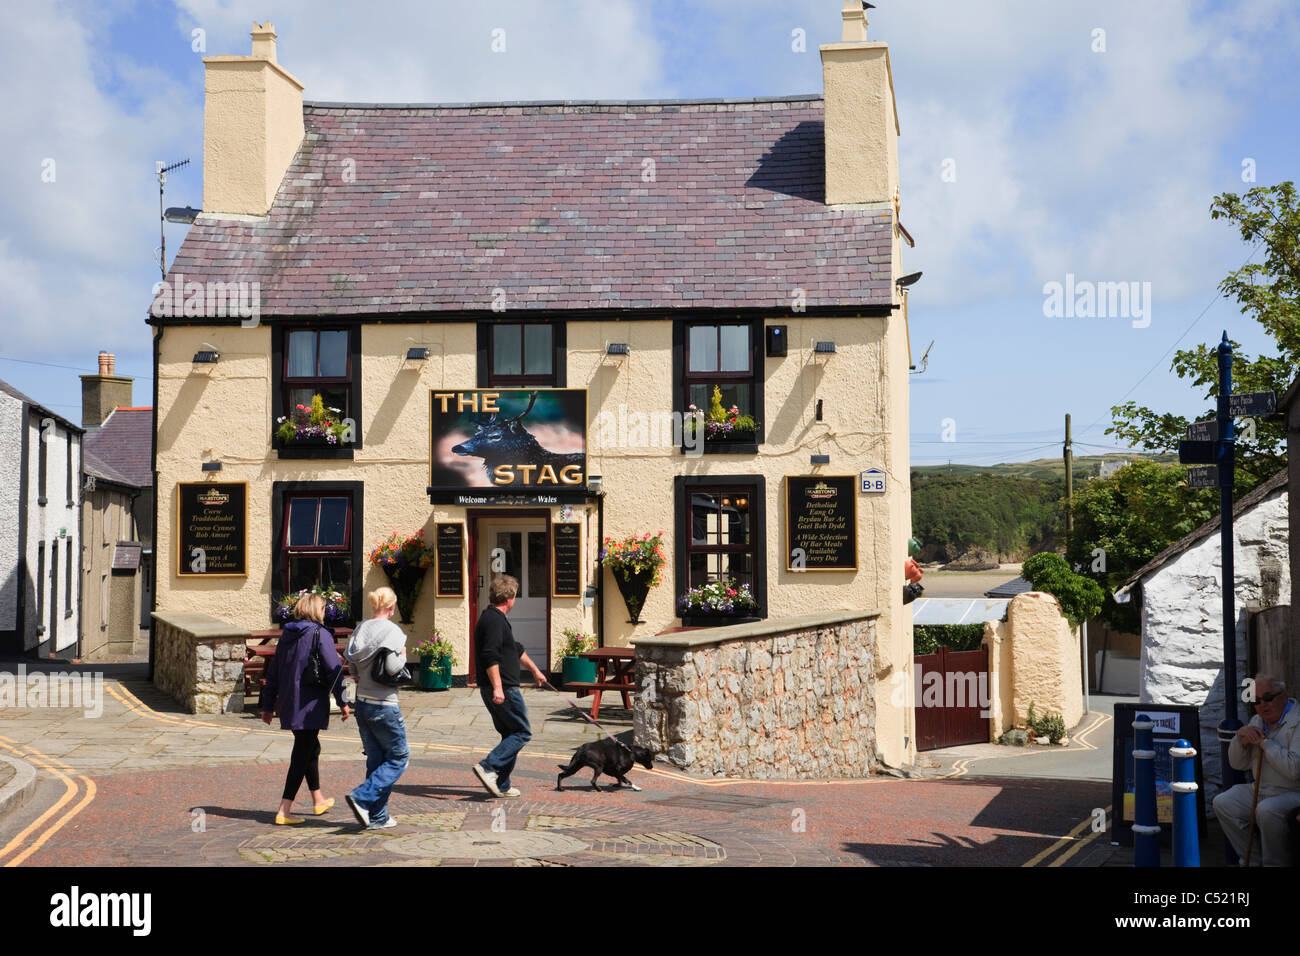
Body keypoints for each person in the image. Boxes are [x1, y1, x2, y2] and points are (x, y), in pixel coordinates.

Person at [260, 592, 350, 825]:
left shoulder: (286, 635)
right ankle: (284, 810)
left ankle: (318, 799)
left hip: (290, 703)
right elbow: (334, 668)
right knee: (301, 754)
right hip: (310, 704)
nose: (325, 613)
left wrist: (268, 705)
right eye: (323, 608)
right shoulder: (320, 634)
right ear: (314, 611)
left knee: (311, 748)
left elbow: (273, 672)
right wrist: (343, 700)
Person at [1212, 673, 1300, 866]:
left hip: (1292, 792)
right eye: (1256, 701)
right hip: (1261, 789)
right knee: (1223, 802)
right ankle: (1253, 859)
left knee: (1267, 810)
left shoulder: (1298, 722)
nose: (1262, 705)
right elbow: (1238, 764)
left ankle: (1275, 864)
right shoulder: (1257, 720)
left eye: (1267, 698)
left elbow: (1294, 771)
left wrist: (1266, 744)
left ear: (1283, 696)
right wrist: (1240, 740)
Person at [471, 574, 547, 798]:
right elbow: (489, 655)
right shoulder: (493, 621)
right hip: (503, 688)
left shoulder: (494, 618)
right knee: (522, 732)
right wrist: (498, 687)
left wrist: (535, 671)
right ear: (510, 597)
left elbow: (515, 648)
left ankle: (501, 784)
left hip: (499, 687)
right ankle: (488, 766)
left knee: (510, 734)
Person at [343, 587, 410, 830]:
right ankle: (362, 797)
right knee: (399, 757)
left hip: (363, 703)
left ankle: (377, 816)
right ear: (392, 607)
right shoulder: (393, 632)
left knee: (376, 759)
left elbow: (351, 666)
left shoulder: (361, 628)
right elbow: (393, 668)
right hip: (384, 704)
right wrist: (403, 655)